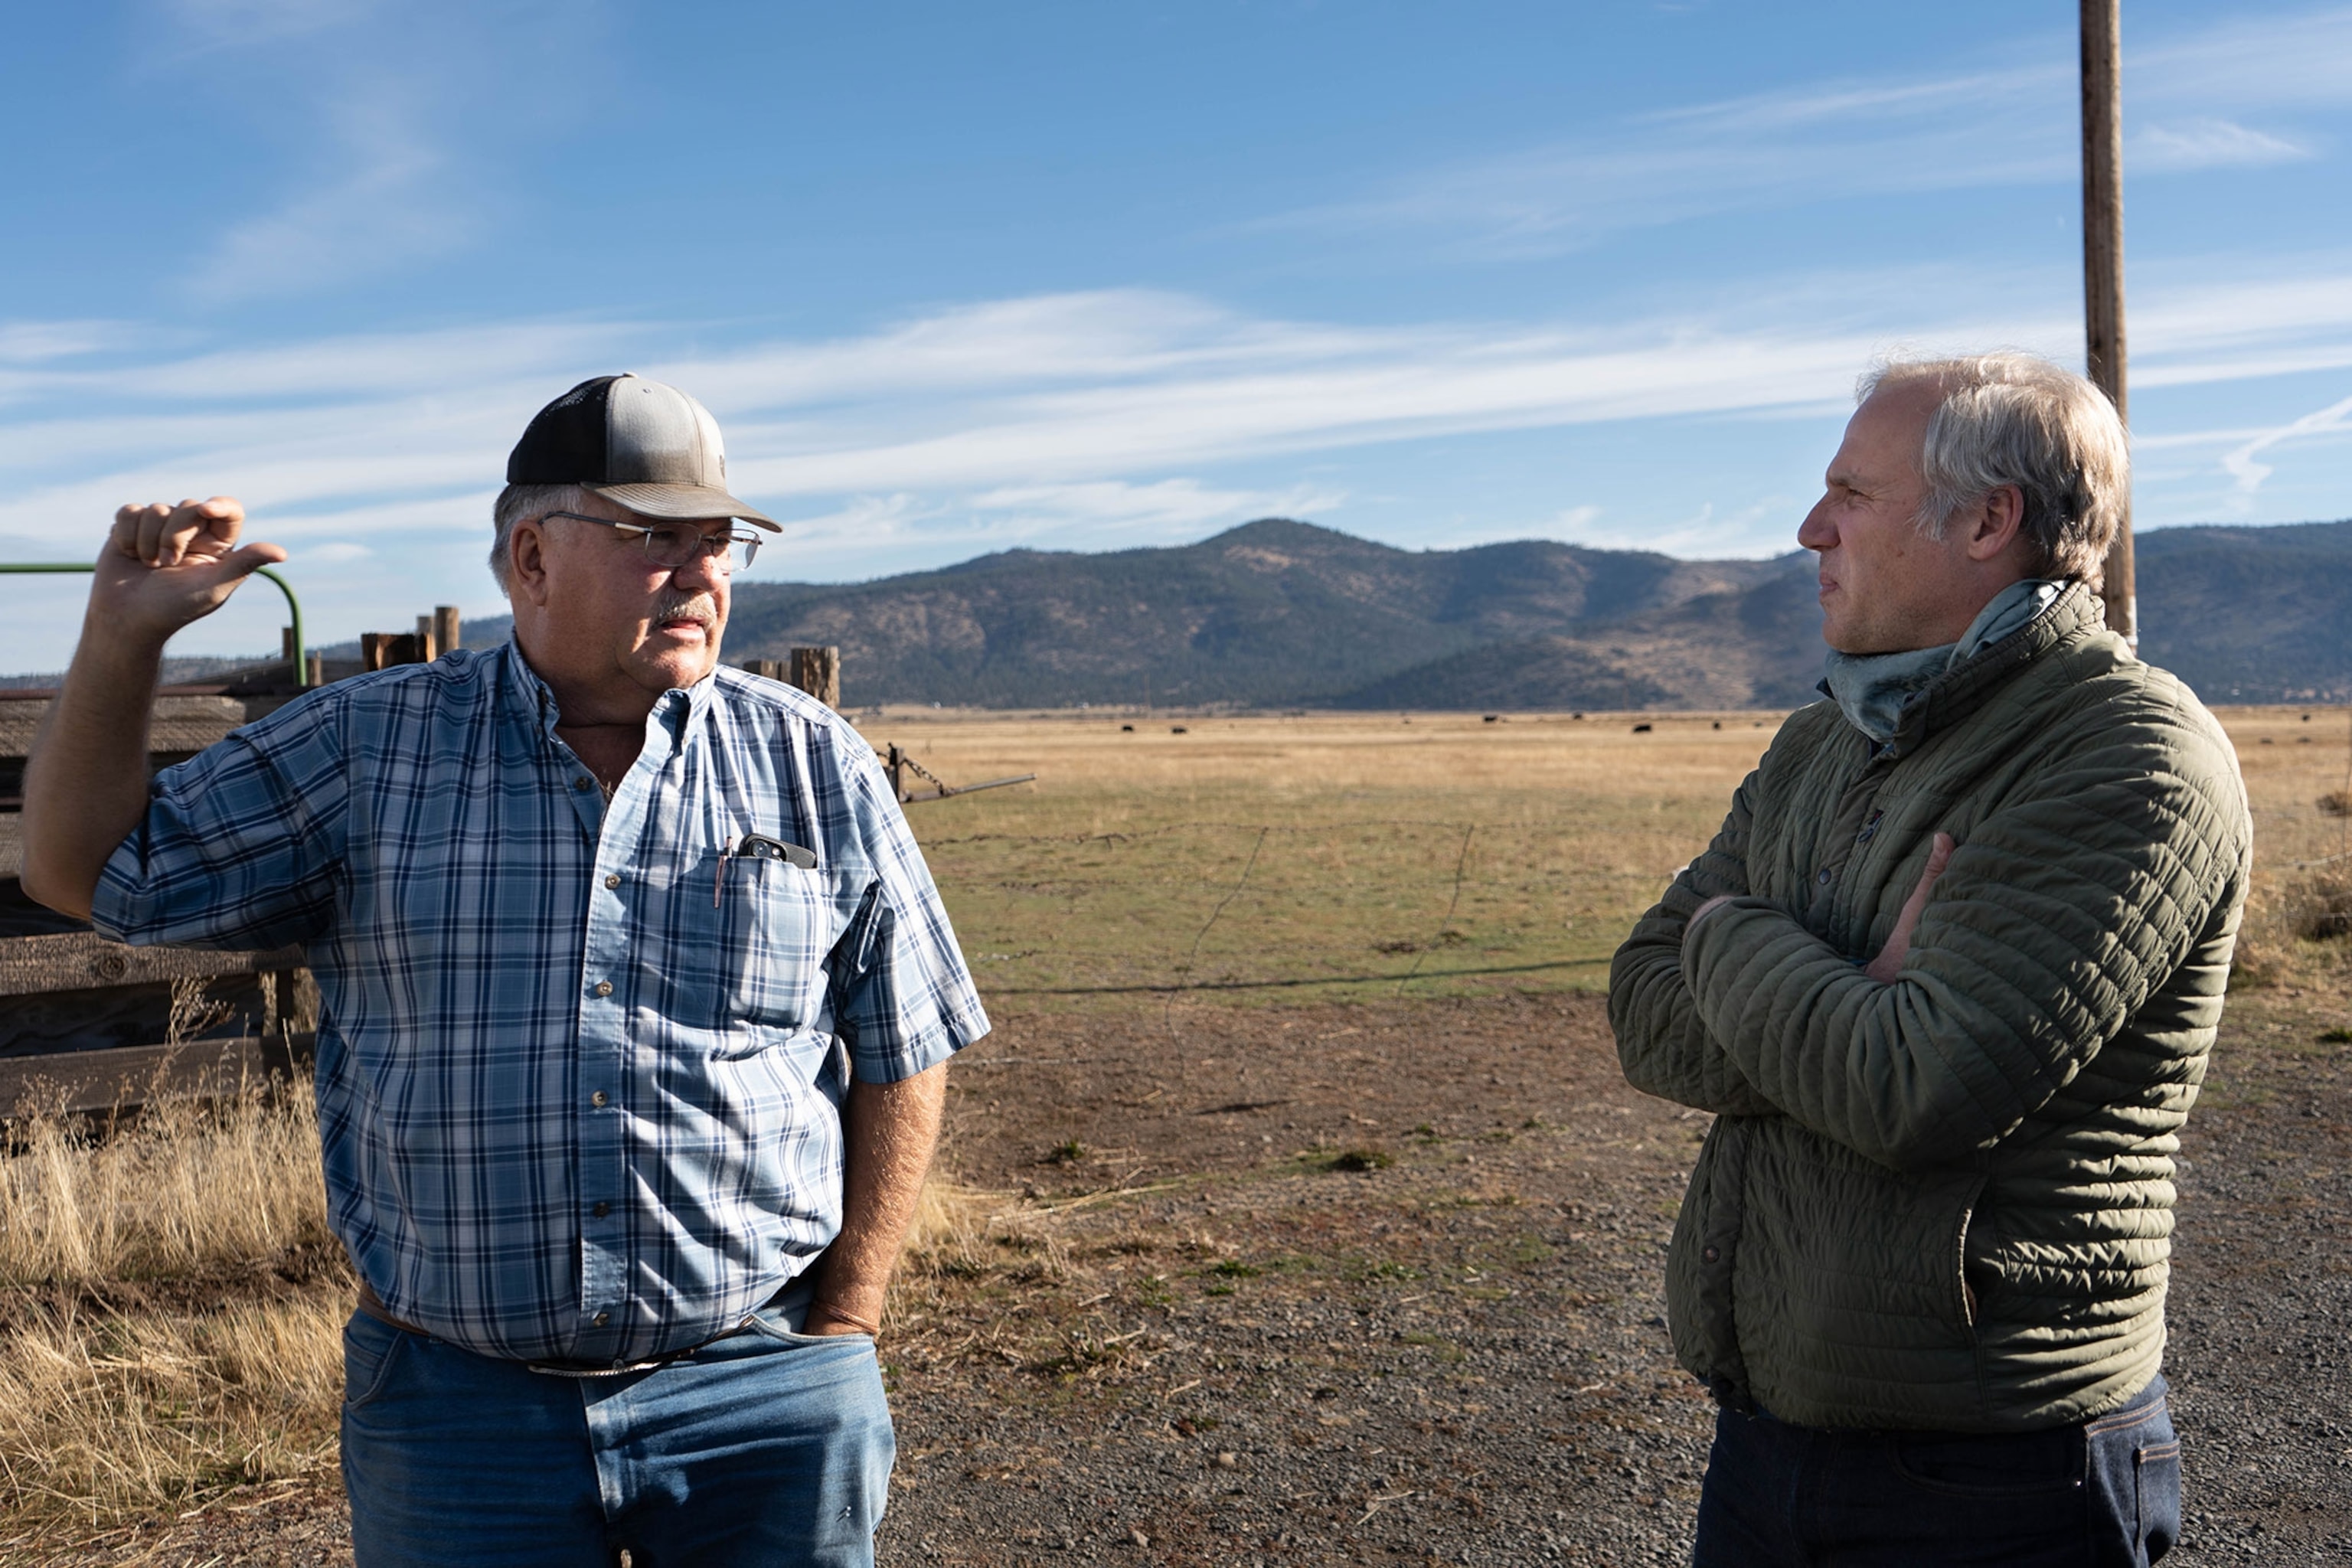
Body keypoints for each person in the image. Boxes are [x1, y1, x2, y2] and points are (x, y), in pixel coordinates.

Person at [20, 373, 989, 1567]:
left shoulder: (808, 764)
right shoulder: (369, 749)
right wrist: (124, 633)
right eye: (654, 539)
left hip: (763, 1394)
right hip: (458, 1413)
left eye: (718, 541)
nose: (703, 572)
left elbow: (907, 1038)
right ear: (531, 557)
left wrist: (848, 1319)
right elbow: (83, 874)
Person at [1609, 353, 2251, 1567]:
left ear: (1987, 520)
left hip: (1997, 1475)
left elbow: (1914, 1086)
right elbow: (1643, 1007)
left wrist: (1729, 933)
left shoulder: (2129, 754)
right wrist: (1838, 993)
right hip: (1763, 1442)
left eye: (1850, 493)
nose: (1809, 530)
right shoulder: (1826, 737)